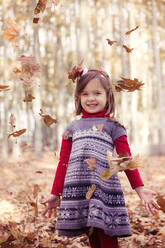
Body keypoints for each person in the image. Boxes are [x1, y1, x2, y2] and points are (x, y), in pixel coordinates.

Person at [41, 68, 159, 248]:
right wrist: (55, 193)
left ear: (108, 96)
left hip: (104, 190)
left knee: (106, 235)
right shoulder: (72, 128)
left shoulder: (114, 126)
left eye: (97, 93)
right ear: (78, 97)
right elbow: (63, 162)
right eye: (85, 93)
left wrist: (140, 188)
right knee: (92, 235)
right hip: (79, 190)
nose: (91, 98)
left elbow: (125, 158)